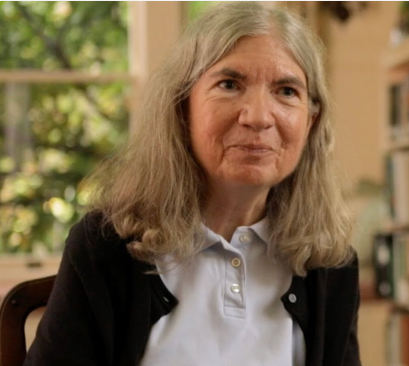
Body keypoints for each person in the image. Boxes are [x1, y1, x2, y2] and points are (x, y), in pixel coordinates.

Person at [24, 2, 361, 366]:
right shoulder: (104, 248)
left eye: (286, 91)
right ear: (181, 109)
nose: (259, 117)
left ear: (311, 121)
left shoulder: (331, 264)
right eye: (229, 84)